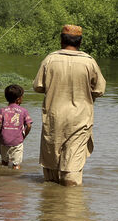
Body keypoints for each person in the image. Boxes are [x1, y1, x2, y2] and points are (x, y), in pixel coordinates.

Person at [34, 25, 106, 186]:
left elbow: (38, 86)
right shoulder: (89, 62)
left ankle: (51, 206)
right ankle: (71, 203)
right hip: (80, 119)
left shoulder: (50, 59)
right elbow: (100, 89)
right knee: (72, 168)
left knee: (51, 165)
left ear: (61, 40)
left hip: (54, 117)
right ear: (80, 41)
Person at [0, 84, 33, 170]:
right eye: (22, 97)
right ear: (18, 99)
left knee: (4, 163)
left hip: (4, 141)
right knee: (16, 165)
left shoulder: (3, 110)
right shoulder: (23, 111)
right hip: (17, 142)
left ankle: (3, 178)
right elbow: (29, 125)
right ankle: (15, 179)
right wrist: (24, 136)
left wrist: (1, 132)